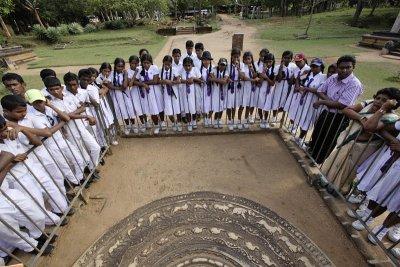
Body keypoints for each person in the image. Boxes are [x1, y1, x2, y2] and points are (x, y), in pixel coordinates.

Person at [1, 95, 70, 219]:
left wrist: (21, 128)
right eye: (19, 112)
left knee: (50, 185)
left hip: (32, 164)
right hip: (17, 175)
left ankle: (62, 209)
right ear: (6, 112)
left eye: (24, 111)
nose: (23, 114)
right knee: (35, 199)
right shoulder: (4, 128)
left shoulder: (13, 126)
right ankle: (51, 219)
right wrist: (11, 161)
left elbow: (38, 141)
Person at [322, 88, 400, 194]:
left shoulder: (391, 117)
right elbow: (346, 110)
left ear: (392, 104)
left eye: (384, 100)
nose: (378, 101)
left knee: (348, 169)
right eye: (378, 98)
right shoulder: (369, 102)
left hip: (363, 148)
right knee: (335, 161)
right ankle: (325, 180)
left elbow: (369, 127)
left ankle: (340, 190)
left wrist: (383, 109)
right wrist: (361, 118)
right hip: (348, 139)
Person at [308, 55, 363, 164]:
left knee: (328, 140)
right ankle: (311, 155)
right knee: (317, 134)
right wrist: (330, 103)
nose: (345, 70)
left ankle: (317, 162)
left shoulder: (354, 84)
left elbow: (342, 105)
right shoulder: (333, 78)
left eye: (348, 67)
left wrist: (324, 102)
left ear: (353, 67)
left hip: (339, 117)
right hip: (326, 112)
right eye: (341, 67)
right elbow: (320, 90)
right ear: (337, 67)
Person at [24, 89, 85, 187]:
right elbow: (48, 132)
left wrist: (51, 105)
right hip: (50, 145)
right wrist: (61, 123)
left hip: (61, 140)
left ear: (44, 99)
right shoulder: (31, 116)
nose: (40, 104)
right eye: (35, 102)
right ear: (30, 104)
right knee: (65, 167)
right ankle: (76, 183)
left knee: (78, 159)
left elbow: (66, 117)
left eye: (40, 101)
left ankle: (80, 179)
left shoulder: (49, 108)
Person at [46, 76, 101, 176]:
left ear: (61, 88)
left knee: (96, 148)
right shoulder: (51, 104)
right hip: (70, 131)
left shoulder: (69, 96)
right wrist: (79, 115)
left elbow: (82, 108)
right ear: (48, 90)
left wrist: (69, 114)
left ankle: (92, 168)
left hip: (81, 127)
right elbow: (65, 116)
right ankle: (87, 173)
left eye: (57, 88)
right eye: (51, 90)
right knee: (81, 154)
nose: (55, 91)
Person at [293, 58, 327, 144]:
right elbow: (298, 78)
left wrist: (306, 88)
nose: (313, 68)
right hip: (303, 101)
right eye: (312, 66)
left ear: (321, 67)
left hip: (312, 102)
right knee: (302, 119)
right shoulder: (308, 74)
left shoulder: (323, 77)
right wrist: (298, 87)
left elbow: (320, 90)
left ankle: (301, 139)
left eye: (316, 66)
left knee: (307, 121)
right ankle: (299, 137)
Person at [136, 53, 163, 134]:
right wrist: (143, 84)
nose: (146, 64)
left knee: (160, 107)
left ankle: (162, 121)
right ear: (142, 62)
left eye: (148, 63)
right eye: (144, 63)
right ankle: (156, 125)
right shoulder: (140, 70)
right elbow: (135, 81)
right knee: (152, 110)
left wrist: (143, 82)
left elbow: (155, 81)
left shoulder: (154, 68)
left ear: (151, 62)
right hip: (147, 94)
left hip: (156, 92)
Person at [107, 58, 136, 135]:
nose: (120, 68)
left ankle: (133, 125)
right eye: (118, 66)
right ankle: (127, 126)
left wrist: (125, 75)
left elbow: (125, 86)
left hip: (126, 95)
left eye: (122, 66)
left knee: (129, 109)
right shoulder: (112, 74)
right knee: (123, 111)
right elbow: (109, 85)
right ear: (115, 66)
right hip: (117, 96)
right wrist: (119, 88)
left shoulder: (125, 73)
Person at [284, 53, 310, 133]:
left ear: (303, 60)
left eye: (299, 61)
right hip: (294, 91)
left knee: (299, 110)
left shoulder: (308, 69)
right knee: (292, 109)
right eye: (296, 61)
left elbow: (304, 82)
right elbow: (292, 81)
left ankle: (296, 127)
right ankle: (292, 125)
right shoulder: (296, 69)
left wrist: (298, 79)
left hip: (302, 93)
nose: (297, 63)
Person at [95, 62, 119, 145]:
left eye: (108, 71)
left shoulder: (112, 75)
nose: (107, 73)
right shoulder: (98, 79)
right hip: (104, 100)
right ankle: (110, 136)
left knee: (114, 114)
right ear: (101, 70)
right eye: (105, 71)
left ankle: (117, 130)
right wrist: (104, 85)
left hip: (112, 97)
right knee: (108, 117)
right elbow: (103, 90)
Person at [179, 57, 202, 132]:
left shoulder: (195, 70)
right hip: (185, 93)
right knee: (187, 108)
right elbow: (178, 80)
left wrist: (193, 78)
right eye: (185, 66)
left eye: (189, 65)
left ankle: (194, 121)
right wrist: (186, 81)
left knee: (194, 107)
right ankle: (189, 122)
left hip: (194, 92)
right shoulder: (181, 70)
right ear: (183, 65)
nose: (187, 67)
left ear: (192, 65)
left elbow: (201, 80)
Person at [160, 55, 181, 131]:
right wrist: (165, 81)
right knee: (168, 109)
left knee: (177, 108)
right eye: (166, 64)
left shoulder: (174, 70)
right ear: (163, 63)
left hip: (174, 91)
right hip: (165, 92)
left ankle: (178, 123)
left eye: (169, 64)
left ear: (171, 64)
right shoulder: (160, 71)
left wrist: (171, 82)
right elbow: (158, 81)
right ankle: (174, 122)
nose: (167, 66)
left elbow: (178, 81)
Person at [238, 51, 259, 130]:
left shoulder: (254, 66)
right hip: (244, 88)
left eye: (249, 59)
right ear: (243, 60)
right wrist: (253, 80)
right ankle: (239, 120)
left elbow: (255, 76)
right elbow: (243, 77)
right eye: (245, 59)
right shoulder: (242, 66)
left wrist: (252, 70)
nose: (247, 61)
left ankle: (245, 120)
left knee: (248, 105)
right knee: (242, 105)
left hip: (251, 89)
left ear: (251, 59)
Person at [126, 55, 147, 133]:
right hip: (134, 93)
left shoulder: (141, 69)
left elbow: (143, 80)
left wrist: (137, 82)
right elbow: (130, 83)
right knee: (137, 108)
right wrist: (136, 77)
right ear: (130, 63)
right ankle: (141, 123)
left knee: (144, 107)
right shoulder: (128, 71)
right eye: (132, 63)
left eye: (136, 63)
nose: (134, 65)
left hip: (142, 91)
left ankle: (145, 122)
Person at [226, 48, 243, 130]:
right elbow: (226, 76)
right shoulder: (228, 66)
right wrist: (228, 79)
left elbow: (242, 76)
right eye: (234, 57)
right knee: (229, 104)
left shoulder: (241, 65)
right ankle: (229, 120)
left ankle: (233, 119)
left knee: (234, 105)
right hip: (230, 87)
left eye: (237, 57)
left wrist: (238, 68)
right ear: (231, 56)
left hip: (237, 87)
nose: (236, 59)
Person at [210, 58, 229, 129]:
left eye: (224, 65)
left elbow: (224, 81)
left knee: (221, 106)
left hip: (223, 91)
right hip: (215, 92)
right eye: (221, 64)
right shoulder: (214, 70)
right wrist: (221, 80)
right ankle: (215, 120)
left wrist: (215, 79)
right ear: (218, 64)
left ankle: (219, 119)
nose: (222, 66)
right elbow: (211, 75)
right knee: (216, 107)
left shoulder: (226, 71)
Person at [258, 52, 275, 129]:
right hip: (262, 88)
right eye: (266, 62)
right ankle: (261, 119)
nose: (268, 63)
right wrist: (263, 72)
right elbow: (260, 82)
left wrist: (266, 77)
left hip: (270, 90)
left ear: (273, 61)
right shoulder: (261, 67)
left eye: (270, 61)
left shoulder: (274, 69)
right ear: (264, 62)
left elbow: (272, 83)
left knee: (267, 105)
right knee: (260, 104)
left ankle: (265, 120)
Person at [198, 51, 214, 128]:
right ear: (202, 60)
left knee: (212, 105)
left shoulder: (213, 69)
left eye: (208, 60)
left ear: (210, 60)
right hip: (203, 90)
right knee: (203, 105)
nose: (206, 61)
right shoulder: (199, 70)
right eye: (204, 60)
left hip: (212, 90)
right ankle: (205, 118)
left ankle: (209, 118)